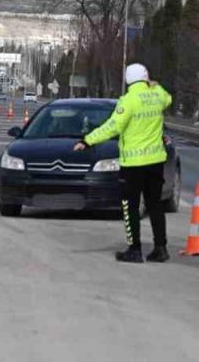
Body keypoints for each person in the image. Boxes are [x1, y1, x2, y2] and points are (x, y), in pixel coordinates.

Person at [73, 63, 173, 263]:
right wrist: (156, 85)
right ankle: (160, 248)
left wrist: (87, 140)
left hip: (134, 163)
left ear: (128, 79)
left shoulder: (128, 101)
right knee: (155, 205)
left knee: (131, 206)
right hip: (155, 161)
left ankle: (134, 249)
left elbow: (113, 126)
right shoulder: (157, 95)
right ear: (146, 78)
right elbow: (168, 98)